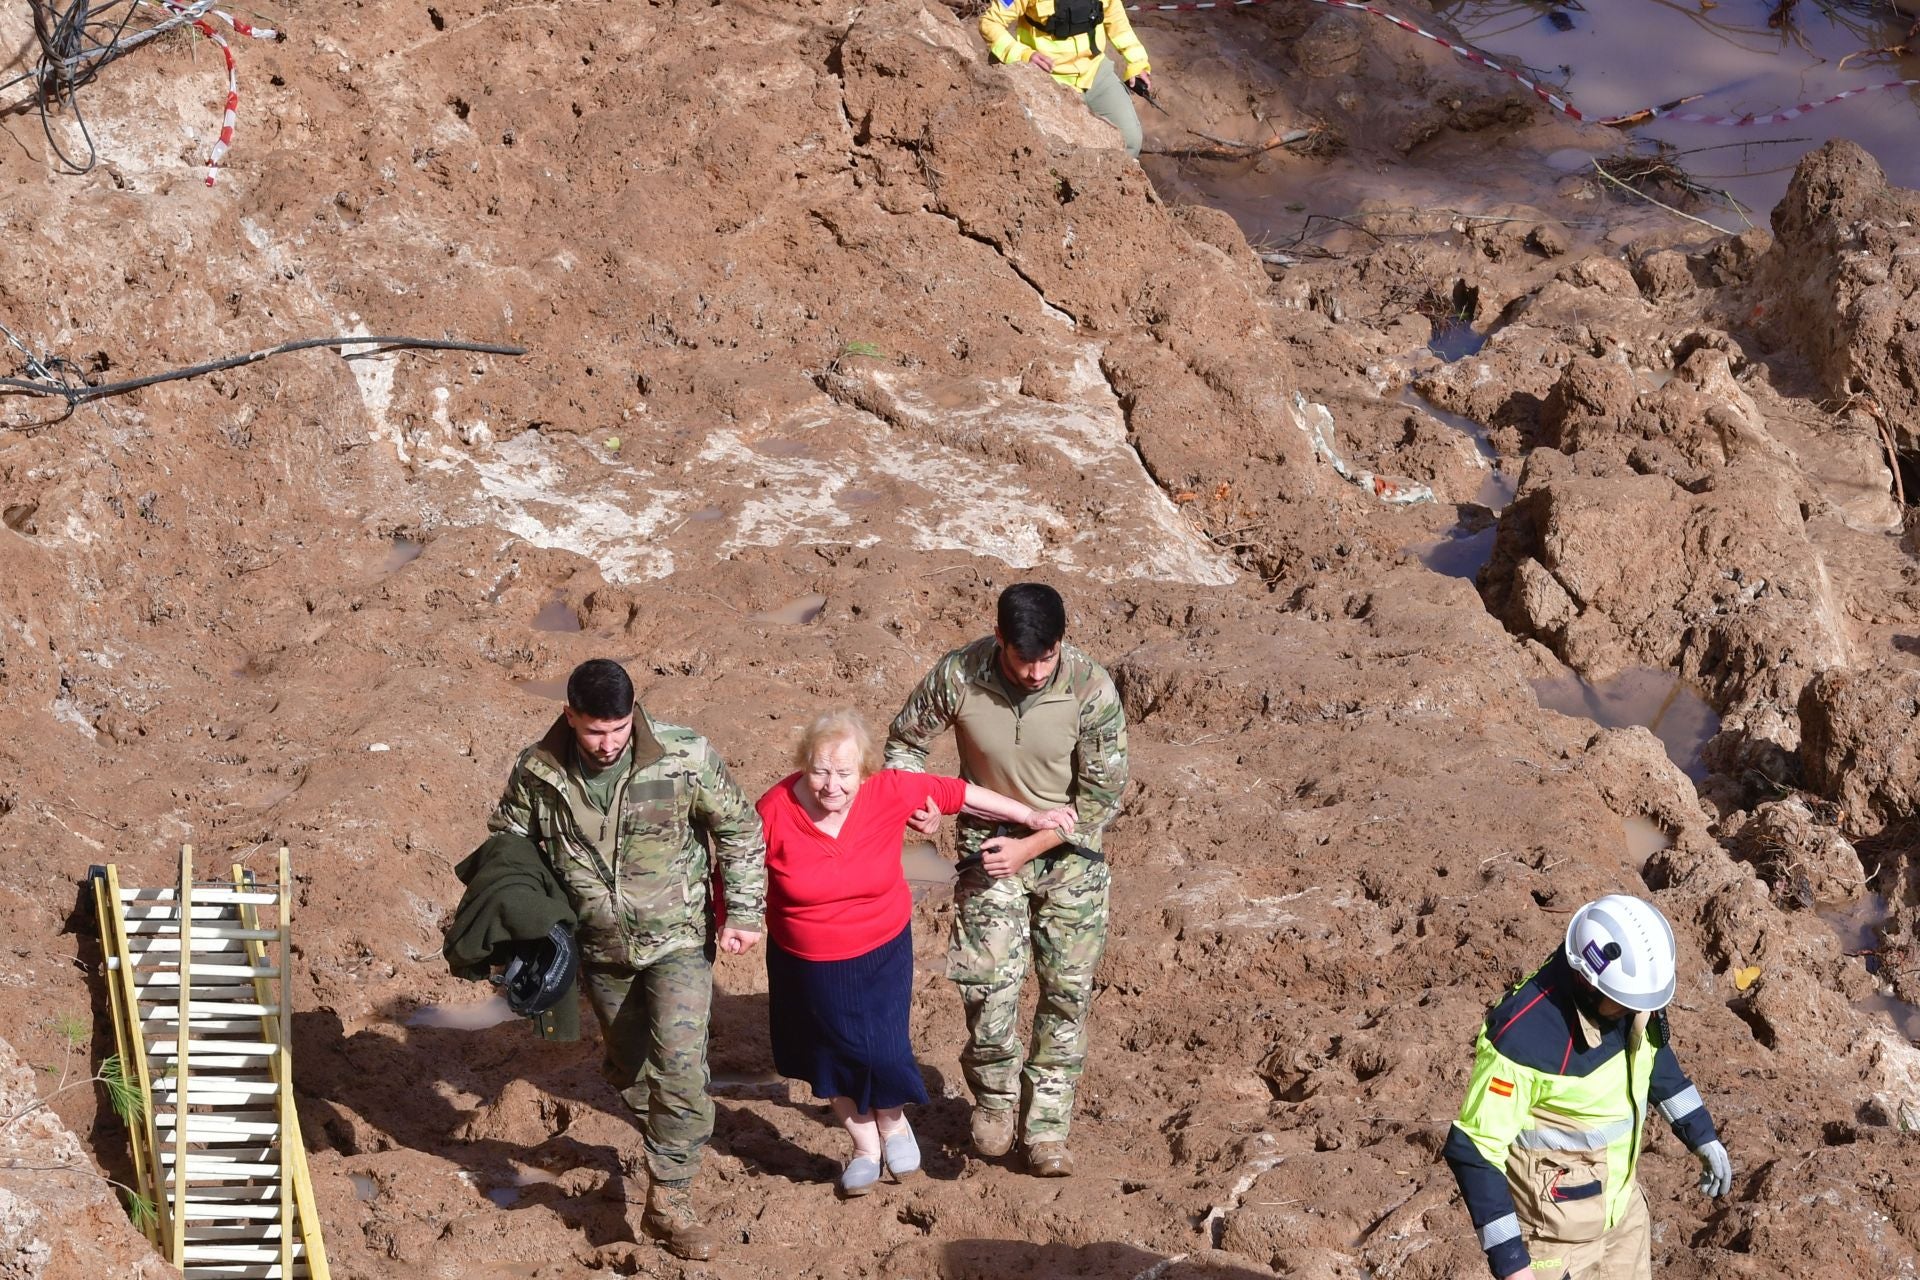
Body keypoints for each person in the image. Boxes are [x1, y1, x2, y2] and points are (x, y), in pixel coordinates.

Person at [488, 658, 766, 1261]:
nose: (608, 744)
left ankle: (670, 1197)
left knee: (682, 1063)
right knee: (629, 1068)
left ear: (633, 715)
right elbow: (508, 842)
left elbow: (740, 828)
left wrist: (745, 912)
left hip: (679, 941)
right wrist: (516, 929)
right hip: (599, 950)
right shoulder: (538, 771)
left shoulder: (683, 756)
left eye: (618, 730)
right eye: (594, 732)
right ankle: (676, 1136)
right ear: (570, 716)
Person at [756, 709, 1078, 1196]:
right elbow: (736, 864)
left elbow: (958, 792)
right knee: (830, 1057)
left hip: (879, 948)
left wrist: (1031, 817)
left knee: (883, 1050)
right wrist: (729, 919)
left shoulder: (887, 790)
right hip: (804, 961)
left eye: (844, 774)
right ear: (804, 765)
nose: (831, 785)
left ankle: (892, 1123)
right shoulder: (775, 808)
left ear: (863, 772)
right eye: (820, 771)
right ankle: (864, 1146)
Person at [884, 582, 1129, 1177]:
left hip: (1069, 856)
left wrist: (1032, 846)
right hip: (987, 851)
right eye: (1025, 660)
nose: (1037, 671)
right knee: (987, 984)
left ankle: (1047, 1129)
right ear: (999, 641)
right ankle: (994, 1098)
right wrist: (919, 802)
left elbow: (1102, 797)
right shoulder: (959, 675)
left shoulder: (1090, 688)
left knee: (1065, 996)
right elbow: (904, 744)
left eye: (1048, 657)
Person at [1442, 894, 1735, 1280]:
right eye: (1624, 1003)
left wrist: (1702, 1135)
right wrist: (1513, 1265)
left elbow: (1654, 1060)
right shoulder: (1524, 1038)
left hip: (1623, 1217)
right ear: (1585, 980)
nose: (1636, 1013)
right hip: (1553, 1245)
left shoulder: (1630, 996)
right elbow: (1476, 1151)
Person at [979, 0, 1155, 159]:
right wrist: (1022, 55)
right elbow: (990, 23)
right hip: (1046, 80)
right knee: (1058, 152)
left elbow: (1118, 23)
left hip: (1094, 72)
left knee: (1130, 140)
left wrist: (1137, 62)